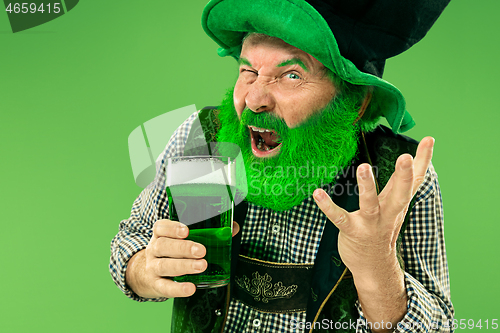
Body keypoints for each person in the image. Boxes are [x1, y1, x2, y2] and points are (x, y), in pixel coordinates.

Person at [110, 0, 454, 332]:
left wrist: (378, 270)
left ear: (355, 101)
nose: (254, 100)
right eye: (249, 71)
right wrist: (145, 268)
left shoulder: (399, 175)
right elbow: (132, 239)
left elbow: (439, 325)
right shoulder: (204, 140)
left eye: (291, 75)